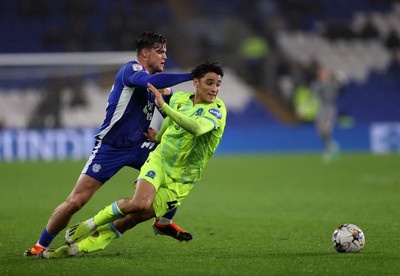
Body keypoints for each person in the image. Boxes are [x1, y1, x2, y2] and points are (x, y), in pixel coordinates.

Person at [24, 31, 194, 257]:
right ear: (145, 53)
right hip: (110, 148)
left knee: (178, 170)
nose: (164, 56)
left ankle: (163, 222)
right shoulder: (131, 70)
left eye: (166, 52)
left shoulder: (156, 84)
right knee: (76, 201)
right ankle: (41, 245)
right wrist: (191, 75)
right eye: (159, 51)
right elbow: (152, 82)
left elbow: (178, 102)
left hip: (139, 145)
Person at [41, 61, 226, 258]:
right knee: (139, 203)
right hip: (160, 161)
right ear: (196, 83)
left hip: (182, 179)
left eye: (218, 84)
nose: (214, 89)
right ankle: (89, 224)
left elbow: (196, 128)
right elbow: (170, 120)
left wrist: (164, 107)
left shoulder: (217, 110)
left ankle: (75, 249)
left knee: (133, 219)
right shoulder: (180, 98)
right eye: (210, 83)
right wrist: (159, 136)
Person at [310, 67, 346, 162]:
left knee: (326, 129)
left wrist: (341, 79)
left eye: (325, 74)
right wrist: (305, 107)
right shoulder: (317, 85)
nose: (322, 75)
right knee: (320, 132)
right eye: (321, 74)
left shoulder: (333, 84)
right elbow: (312, 95)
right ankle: (331, 145)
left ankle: (328, 150)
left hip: (330, 108)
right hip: (321, 109)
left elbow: (341, 89)